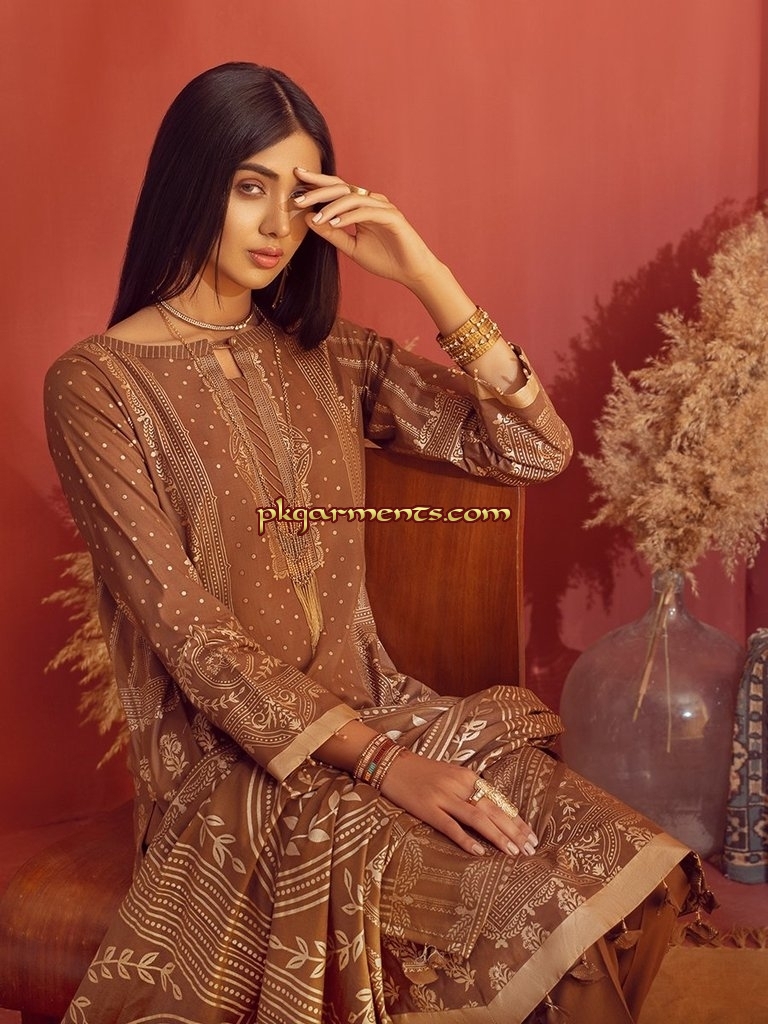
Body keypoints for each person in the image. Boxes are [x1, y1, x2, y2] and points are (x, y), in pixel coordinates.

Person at [44, 62, 707, 1024]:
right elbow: (187, 633)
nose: (277, 224)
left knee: (634, 875)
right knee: (530, 910)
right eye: (250, 187)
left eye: (298, 194)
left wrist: (425, 273)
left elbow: (535, 449)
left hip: (397, 715)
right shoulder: (98, 385)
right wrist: (382, 765)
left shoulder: (331, 354)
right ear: (192, 181)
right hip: (242, 769)